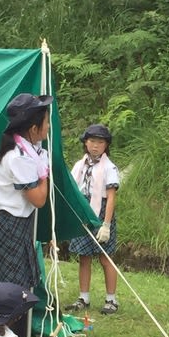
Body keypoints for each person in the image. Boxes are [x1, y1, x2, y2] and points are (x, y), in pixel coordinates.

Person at [0, 92, 54, 337]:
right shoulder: (17, 157)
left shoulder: (28, 152)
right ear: (32, 127)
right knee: (14, 293)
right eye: (46, 122)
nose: (49, 127)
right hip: (9, 225)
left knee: (22, 289)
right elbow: (38, 199)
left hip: (18, 225)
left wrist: (42, 163)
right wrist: (44, 172)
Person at [65, 124, 120, 315]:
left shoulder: (109, 168)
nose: (95, 146)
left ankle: (111, 299)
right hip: (83, 211)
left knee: (106, 258)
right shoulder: (79, 166)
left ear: (106, 145)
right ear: (85, 143)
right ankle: (83, 297)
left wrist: (106, 224)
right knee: (84, 257)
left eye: (100, 142)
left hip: (102, 212)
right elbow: (72, 189)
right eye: (92, 141)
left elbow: (111, 196)